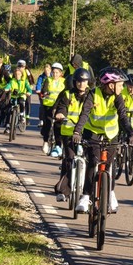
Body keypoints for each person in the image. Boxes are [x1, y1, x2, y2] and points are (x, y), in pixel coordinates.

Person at [70, 67, 133, 214]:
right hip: (92, 134)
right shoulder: (93, 94)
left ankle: (110, 194)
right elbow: (84, 114)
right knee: (93, 163)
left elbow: (123, 117)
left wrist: (131, 134)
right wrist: (77, 132)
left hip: (111, 135)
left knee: (109, 165)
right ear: (111, 85)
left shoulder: (118, 97)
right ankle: (85, 196)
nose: (123, 87)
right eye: (120, 84)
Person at [51, 68, 93, 201]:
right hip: (69, 132)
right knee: (69, 159)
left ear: (88, 82)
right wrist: (60, 114)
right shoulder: (68, 94)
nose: (81, 84)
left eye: (84, 81)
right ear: (75, 82)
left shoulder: (92, 95)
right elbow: (62, 107)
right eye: (79, 81)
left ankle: (89, 192)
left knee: (91, 161)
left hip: (86, 132)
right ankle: (63, 191)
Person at [39, 62, 66, 155]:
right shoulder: (48, 80)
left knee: (58, 125)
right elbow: (44, 89)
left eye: (57, 72)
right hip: (49, 105)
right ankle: (46, 141)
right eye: (53, 72)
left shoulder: (64, 81)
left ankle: (58, 145)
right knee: (48, 123)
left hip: (59, 106)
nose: (55, 74)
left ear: (61, 73)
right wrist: (45, 93)